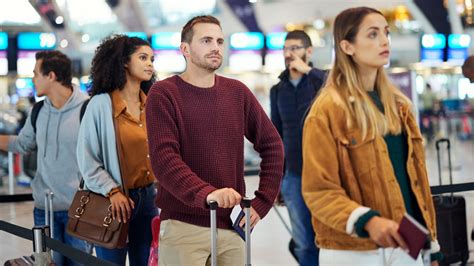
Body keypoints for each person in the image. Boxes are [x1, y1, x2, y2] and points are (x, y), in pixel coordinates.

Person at [301, 7, 441, 265]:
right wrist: (367, 220)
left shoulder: (399, 106)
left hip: (406, 247)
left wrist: (431, 245)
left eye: (386, 33)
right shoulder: (328, 111)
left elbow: (414, 181)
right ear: (348, 46)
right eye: (373, 34)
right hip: (352, 251)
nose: (384, 41)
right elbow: (318, 190)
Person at [145, 15, 284, 265]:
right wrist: (206, 193)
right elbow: (164, 159)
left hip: (231, 228)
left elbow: (272, 145)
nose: (215, 47)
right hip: (182, 226)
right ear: (185, 49)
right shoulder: (164, 93)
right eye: (206, 40)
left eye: (220, 41)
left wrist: (263, 201)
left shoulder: (237, 92)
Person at [0, 50, 91, 265]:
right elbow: (23, 144)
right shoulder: (38, 110)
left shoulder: (88, 109)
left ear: (50, 76)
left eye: (35, 74)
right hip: (44, 209)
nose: (33, 79)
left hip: (78, 210)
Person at [76, 35, 158, 265]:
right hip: (113, 202)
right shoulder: (100, 105)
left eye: (152, 58)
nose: (150, 63)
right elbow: (87, 159)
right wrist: (112, 191)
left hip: (149, 198)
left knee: (146, 261)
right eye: (143, 58)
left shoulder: (151, 103)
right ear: (124, 62)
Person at [269, 30, 325, 265]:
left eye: (294, 48)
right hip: (293, 176)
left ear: (308, 51)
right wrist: (276, 180)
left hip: (323, 175)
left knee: (328, 236)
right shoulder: (277, 90)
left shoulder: (319, 81)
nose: (289, 54)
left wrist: (308, 70)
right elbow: (276, 136)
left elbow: (340, 86)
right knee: (303, 241)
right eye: (285, 49)